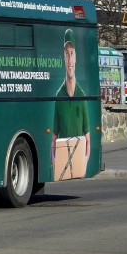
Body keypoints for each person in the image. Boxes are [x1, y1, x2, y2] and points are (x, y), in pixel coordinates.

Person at [52, 36, 91, 180]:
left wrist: (84, 163)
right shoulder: (58, 96)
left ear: (76, 57)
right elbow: (53, 138)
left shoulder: (82, 97)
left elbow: (88, 140)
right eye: (66, 53)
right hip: (63, 166)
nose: (69, 59)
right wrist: (55, 160)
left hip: (78, 165)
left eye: (72, 53)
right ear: (64, 57)